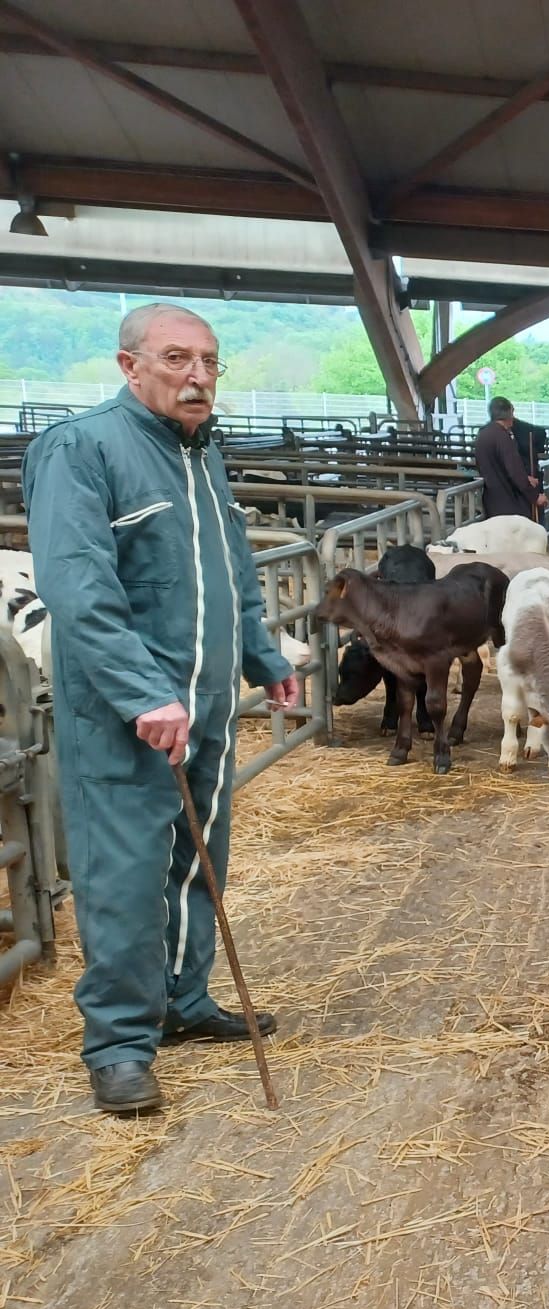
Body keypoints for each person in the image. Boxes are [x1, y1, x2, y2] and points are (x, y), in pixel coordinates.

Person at [23, 303, 300, 1115]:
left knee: (197, 856)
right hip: (127, 713)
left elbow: (232, 570)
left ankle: (184, 999)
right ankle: (116, 1042)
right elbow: (79, 585)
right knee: (124, 872)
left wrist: (265, 655)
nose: (199, 377)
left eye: (211, 363)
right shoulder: (81, 449)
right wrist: (143, 690)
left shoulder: (201, 455)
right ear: (129, 365)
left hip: (207, 702)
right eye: (178, 359)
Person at [474, 396, 542, 520]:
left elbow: (498, 467)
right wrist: (535, 496)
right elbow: (514, 470)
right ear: (509, 413)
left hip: (491, 499)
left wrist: (525, 478)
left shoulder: (483, 433)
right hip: (508, 501)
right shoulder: (502, 436)